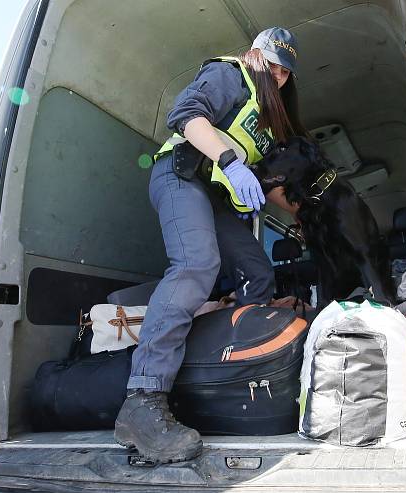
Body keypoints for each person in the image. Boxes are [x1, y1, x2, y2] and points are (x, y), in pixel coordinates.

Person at [114, 27, 304, 463]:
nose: (277, 74)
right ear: (255, 55)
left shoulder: (266, 119)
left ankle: (235, 367)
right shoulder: (230, 74)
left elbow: (269, 184)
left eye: (285, 71)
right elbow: (186, 115)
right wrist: (230, 162)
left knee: (257, 270)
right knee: (196, 265)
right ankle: (143, 399)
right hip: (181, 175)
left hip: (214, 194)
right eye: (272, 63)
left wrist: (303, 216)